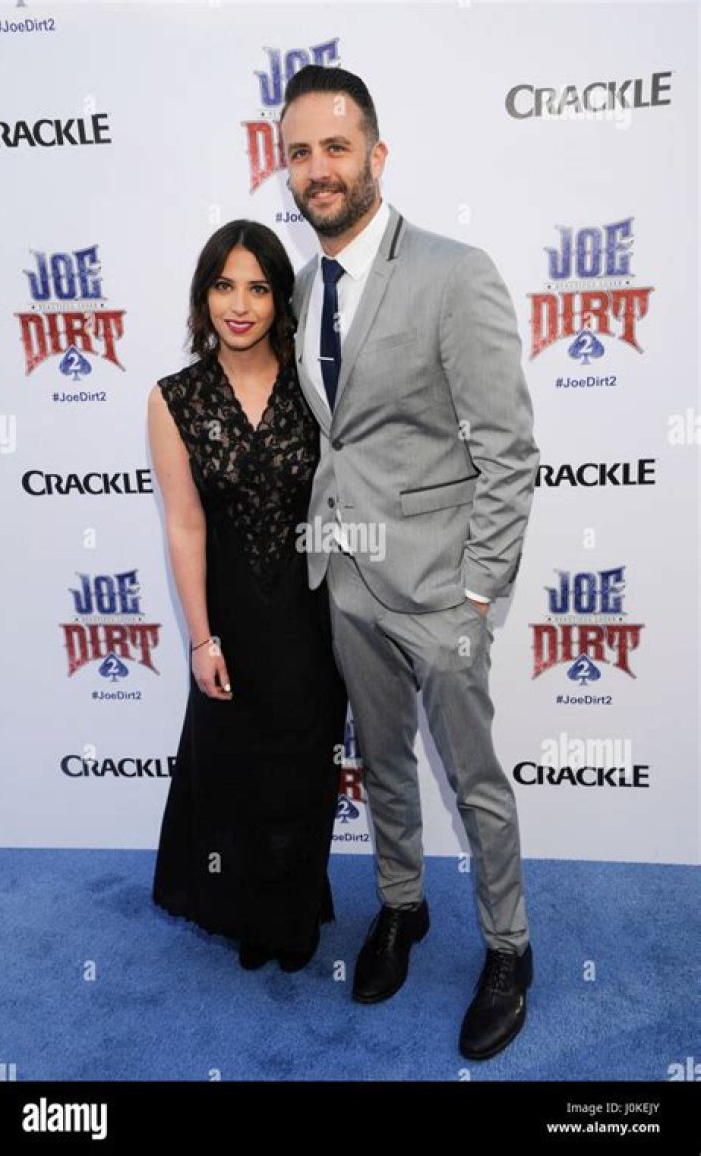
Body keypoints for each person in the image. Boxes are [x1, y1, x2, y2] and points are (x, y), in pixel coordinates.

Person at [280, 65, 540, 1058]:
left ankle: (510, 947)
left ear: (376, 155)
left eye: (336, 148)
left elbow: (507, 447)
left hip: (441, 590)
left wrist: (477, 591)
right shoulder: (303, 288)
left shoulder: (454, 272)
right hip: (347, 580)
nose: (318, 169)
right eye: (299, 153)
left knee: (474, 781)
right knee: (383, 763)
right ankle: (402, 903)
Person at [148, 220, 347, 972]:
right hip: (228, 615)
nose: (240, 305)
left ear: (280, 300)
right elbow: (184, 522)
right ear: (204, 297)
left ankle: (293, 915)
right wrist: (201, 638)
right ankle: (250, 917)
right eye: (224, 286)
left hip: (311, 613)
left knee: (302, 768)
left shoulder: (316, 386)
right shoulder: (175, 399)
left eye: (258, 288)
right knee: (235, 772)